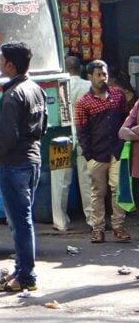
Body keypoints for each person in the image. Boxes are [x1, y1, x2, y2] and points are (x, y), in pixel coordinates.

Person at [0, 41, 47, 292]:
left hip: (14, 164)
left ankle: (27, 276)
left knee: (20, 222)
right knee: (23, 220)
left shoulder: (13, 95)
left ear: (10, 65)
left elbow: (7, 136)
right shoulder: (36, 89)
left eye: (1, 60)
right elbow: (43, 127)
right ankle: (21, 269)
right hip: (32, 160)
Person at [75, 60, 130, 243]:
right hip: (97, 154)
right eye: (98, 74)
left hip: (116, 150)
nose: (102, 78)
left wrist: (123, 144)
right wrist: (89, 155)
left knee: (117, 189)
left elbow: (125, 120)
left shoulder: (117, 95)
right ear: (89, 77)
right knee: (98, 192)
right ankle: (97, 229)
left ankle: (118, 227)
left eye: (104, 74)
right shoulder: (84, 102)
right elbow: (81, 131)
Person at [65, 56, 94, 230]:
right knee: (86, 177)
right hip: (84, 134)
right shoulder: (88, 86)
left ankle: (60, 220)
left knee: (60, 179)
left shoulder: (59, 85)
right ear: (80, 69)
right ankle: (92, 218)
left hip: (63, 135)